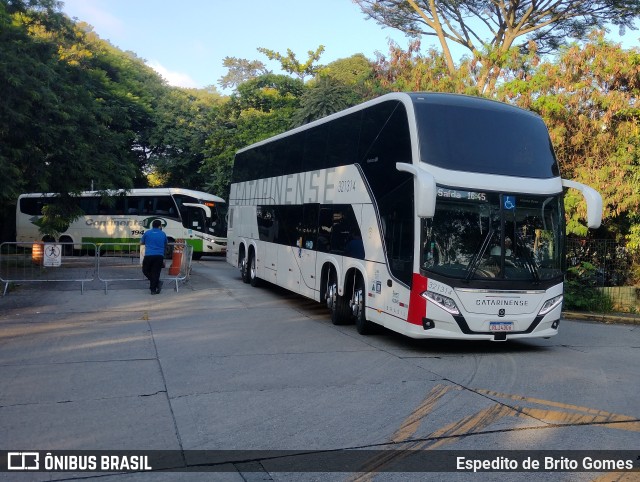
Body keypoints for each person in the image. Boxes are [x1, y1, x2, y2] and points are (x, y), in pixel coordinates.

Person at [140, 219, 168, 294]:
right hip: (159, 256)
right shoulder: (163, 234)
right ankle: (154, 288)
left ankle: (156, 285)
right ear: (160, 226)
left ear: (152, 225)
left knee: (145, 270)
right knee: (156, 272)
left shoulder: (147, 233)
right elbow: (166, 243)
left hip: (149, 255)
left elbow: (141, 242)